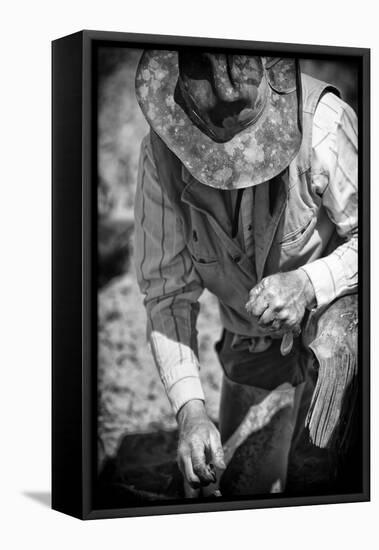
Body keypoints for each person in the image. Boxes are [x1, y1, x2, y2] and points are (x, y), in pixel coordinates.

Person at [133, 51, 358, 495]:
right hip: (251, 337)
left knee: (322, 473)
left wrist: (307, 283)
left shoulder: (325, 124)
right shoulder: (160, 157)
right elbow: (166, 293)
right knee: (241, 490)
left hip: (341, 323)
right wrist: (191, 412)